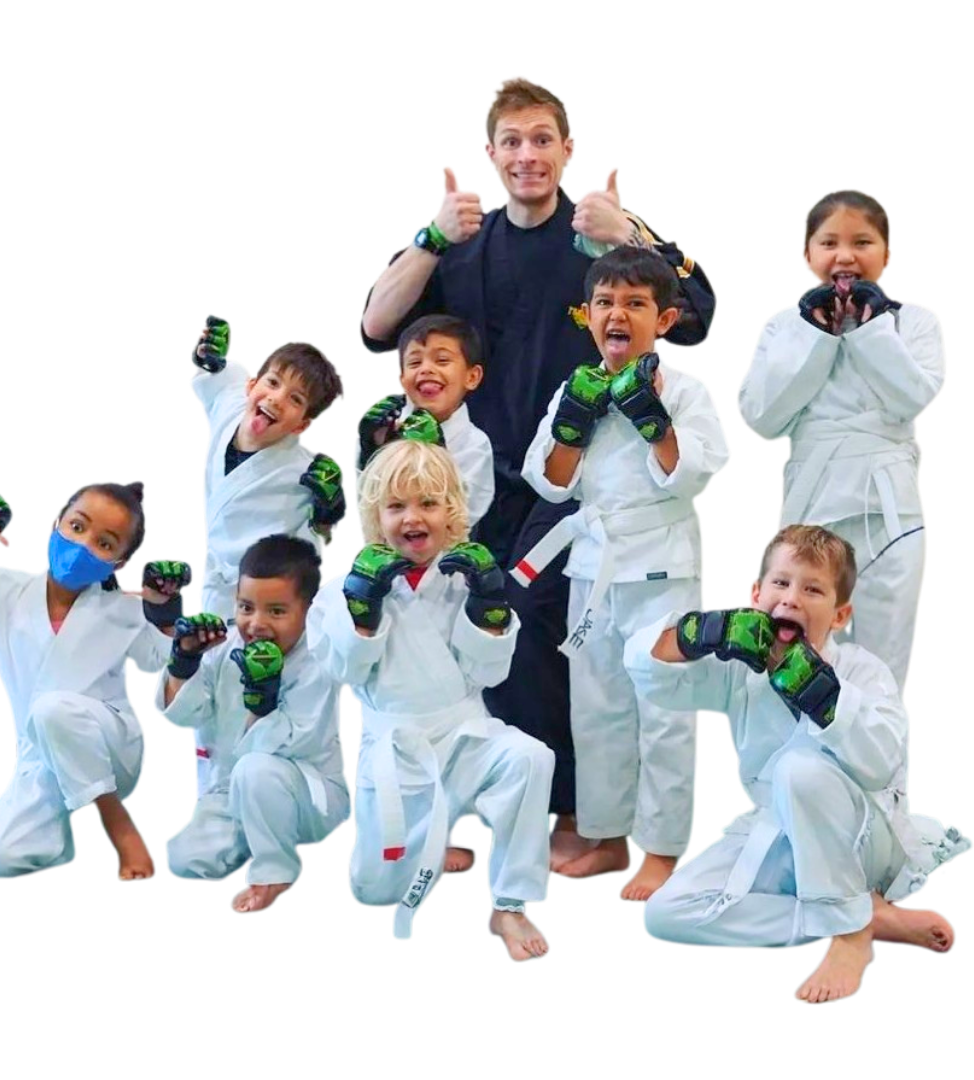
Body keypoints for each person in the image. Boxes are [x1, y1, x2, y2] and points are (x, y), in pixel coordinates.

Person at [358, 74, 716, 848]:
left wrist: (632, 232)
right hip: (474, 482)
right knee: (463, 632)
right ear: (490, 154)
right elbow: (376, 325)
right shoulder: (461, 240)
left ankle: (571, 811)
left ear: (569, 149)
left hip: (570, 486)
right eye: (512, 142)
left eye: (542, 140)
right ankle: (488, 803)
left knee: (528, 623)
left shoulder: (600, 234)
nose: (528, 155)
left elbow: (698, 318)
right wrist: (429, 237)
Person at [623, 525, 970, 1004]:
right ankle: (868, 917)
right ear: (755, 596)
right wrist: (701, 632)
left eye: (812, 590)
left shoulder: (862, 671)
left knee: (799, 769)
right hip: (777, 828)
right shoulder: (739, 670)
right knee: (664, 915)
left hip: (862, 839)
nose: (791, 598)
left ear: (840, 614)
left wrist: (821, 694)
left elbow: (883, 761)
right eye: (781, 583)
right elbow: (650, 675)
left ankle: (850, 936)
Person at [520, 248, 731, 893]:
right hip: (593, 567)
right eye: (606, 302)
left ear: (663, 319)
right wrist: (573, 427)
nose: (618, 314)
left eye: (635, 304)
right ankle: (608, 837)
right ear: (587, 315)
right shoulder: (574, 388)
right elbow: (550, 483)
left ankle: (662, 849)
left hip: (662, 566)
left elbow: (694, 473)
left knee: (664, 708)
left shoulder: (686, 390)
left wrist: (652, 419)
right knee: (598, 707)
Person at [306, 441, 555, 961]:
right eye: (396, 506)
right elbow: (341, 673)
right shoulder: (343, 590)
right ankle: (432, 845)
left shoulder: (469, 580)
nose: (412, 518)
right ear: (376, 517)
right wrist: (363, 613)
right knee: (375, 893)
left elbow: (490, 673)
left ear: (452, 512)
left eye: (428, 504)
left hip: (466, 737)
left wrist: (489, 607)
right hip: (397, 753)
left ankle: (509, 904)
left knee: (530, 758)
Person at [0, 479, 193, 881]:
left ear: (119, 565)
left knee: (52, 708)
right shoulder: (5, 594)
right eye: (77, 527)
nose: (83, 545)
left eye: (105, 544)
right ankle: (62, 841)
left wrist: (167, 612)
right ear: (55, 523)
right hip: (41, 758)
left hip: (111, 747)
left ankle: (117, 822)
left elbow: (161, 662)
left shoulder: (125, 608)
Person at [736, 189, 945, 695]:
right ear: (807, 255)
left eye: (862, 242)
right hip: (812, 506)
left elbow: (911, 398)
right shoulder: (782, 326)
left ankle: (880, 751)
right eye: (829, 243)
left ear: (887, 255)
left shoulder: (916, 320)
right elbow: (762, 419)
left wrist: (871, 330)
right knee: (799, 658)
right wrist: (816, 335)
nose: (845, 255)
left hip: (887, 514)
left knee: (883, 668)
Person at [154, 535, 351, 914]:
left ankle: (275, 870)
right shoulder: (226, 646)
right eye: (246, 607)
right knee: (185, 860)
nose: (256, 624)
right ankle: (258, 832)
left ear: (309, 609)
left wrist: (262, 701)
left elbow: (300, 740)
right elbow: (184, 716)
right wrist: (183, 663)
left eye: (276, 611)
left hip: (308, 797)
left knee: (256, 768)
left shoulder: (318, 656)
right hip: (231, 790)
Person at [189, 315, 348, 619]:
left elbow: (315, 541)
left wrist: (328, 516)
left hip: (270, 600)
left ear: (302, 425)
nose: (276, 399)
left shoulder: (306, 473)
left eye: (295, 399)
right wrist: (207, 358)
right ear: (252, 385)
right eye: (273, 383)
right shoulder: (231, 406)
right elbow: (222, 375)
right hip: (215, 585)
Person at [353, 313, 494, 529]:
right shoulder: (383, 429)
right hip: (384, 545)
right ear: (401, 380)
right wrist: (370, 450)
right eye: (415, 362)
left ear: (472, 377)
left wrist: (436, 451)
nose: (426, 369)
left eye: (442, 360)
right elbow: (365, 505)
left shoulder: (475, 444)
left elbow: (464, 517)